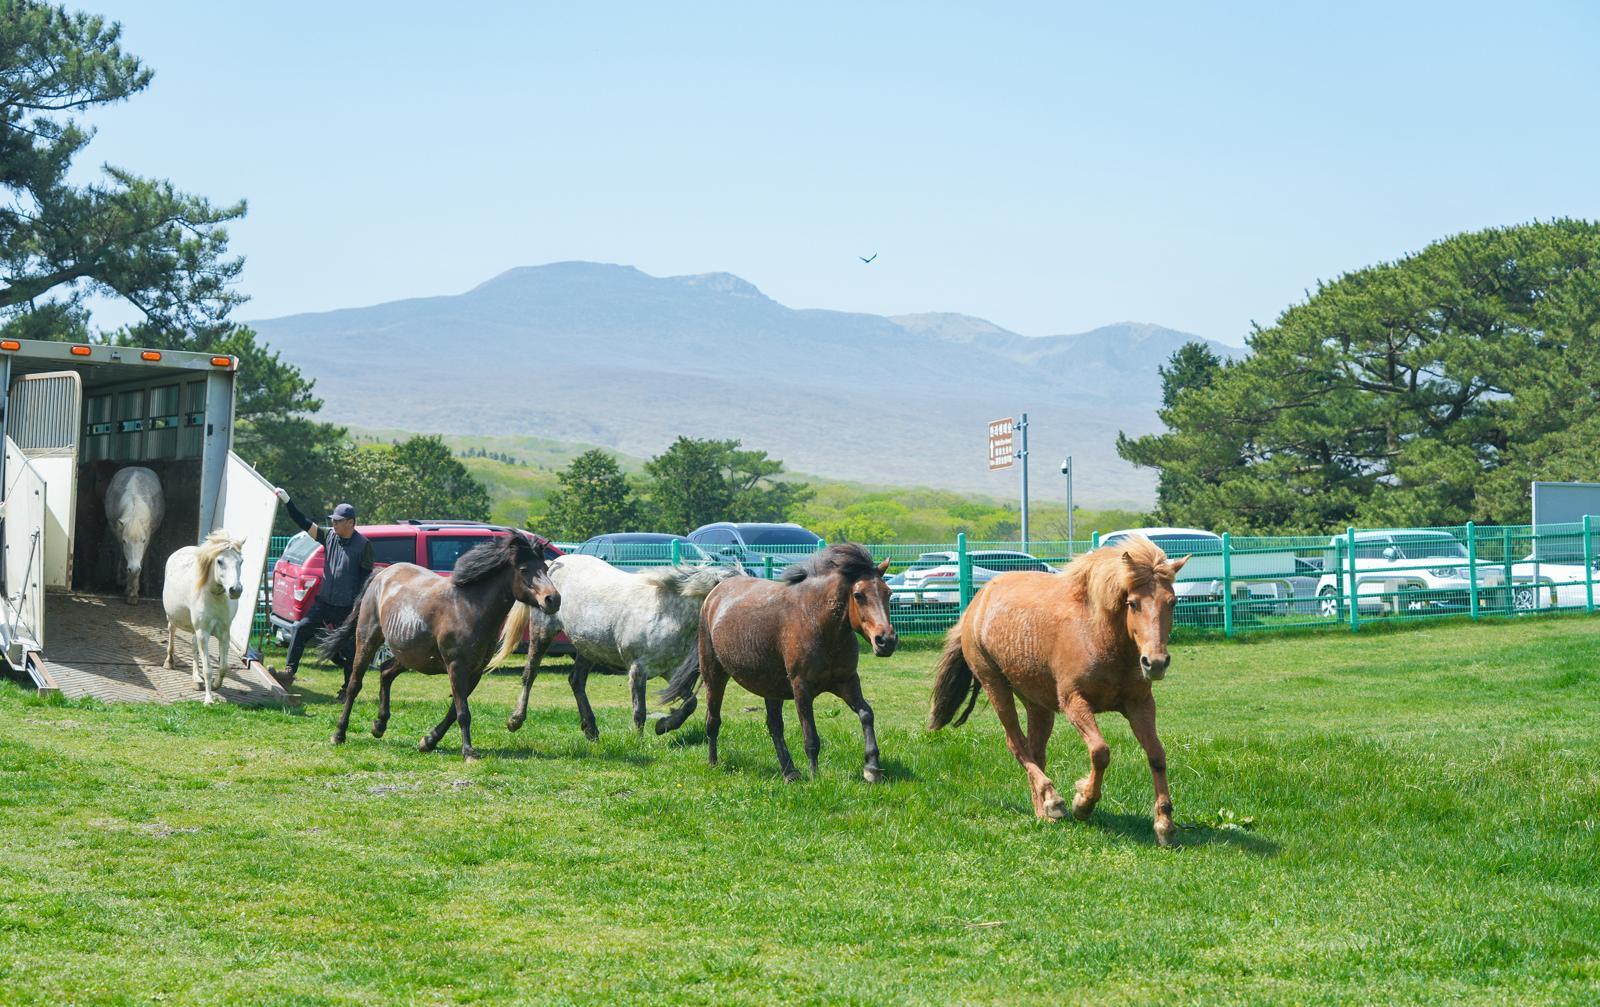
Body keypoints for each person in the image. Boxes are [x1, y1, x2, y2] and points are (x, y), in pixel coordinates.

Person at [272, 490, 374, 695]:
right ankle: (289, 673)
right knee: (300, 629)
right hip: (324, 603)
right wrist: (287, 501)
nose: (333, 523)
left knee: (349, 649)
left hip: (347, 609)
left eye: (338, 520)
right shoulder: (328, 536)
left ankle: (347, 690)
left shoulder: (364, 546)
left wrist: (357, 612)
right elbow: (303, 522)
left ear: (351, 522)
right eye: (333, 520)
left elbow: (365, 582)